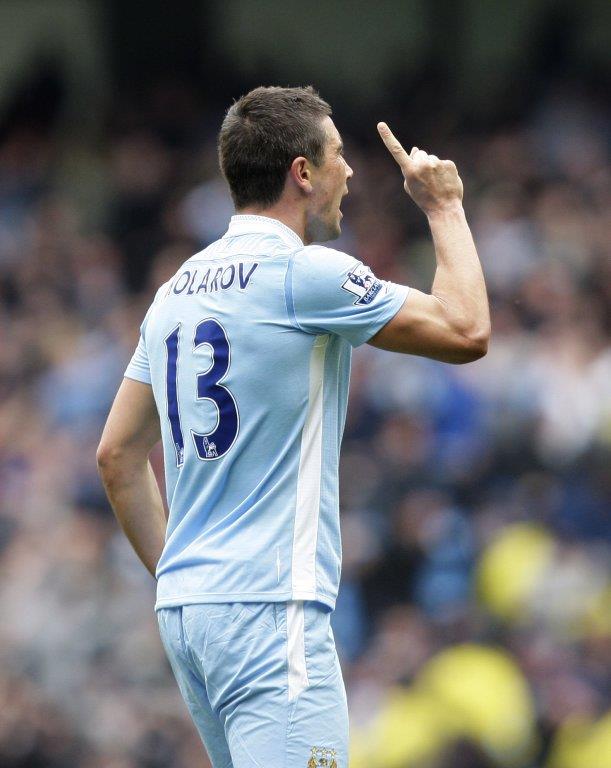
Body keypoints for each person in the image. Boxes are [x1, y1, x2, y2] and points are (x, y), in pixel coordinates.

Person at [97, 85, 490, 768]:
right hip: (269, 608)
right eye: (338, 155)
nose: (350, 173)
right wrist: (444, 206)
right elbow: (466, 330)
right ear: (302, 172)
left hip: (190, 613)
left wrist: (181, 576)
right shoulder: (302, 274)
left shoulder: (173, 292)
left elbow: (117, 455)